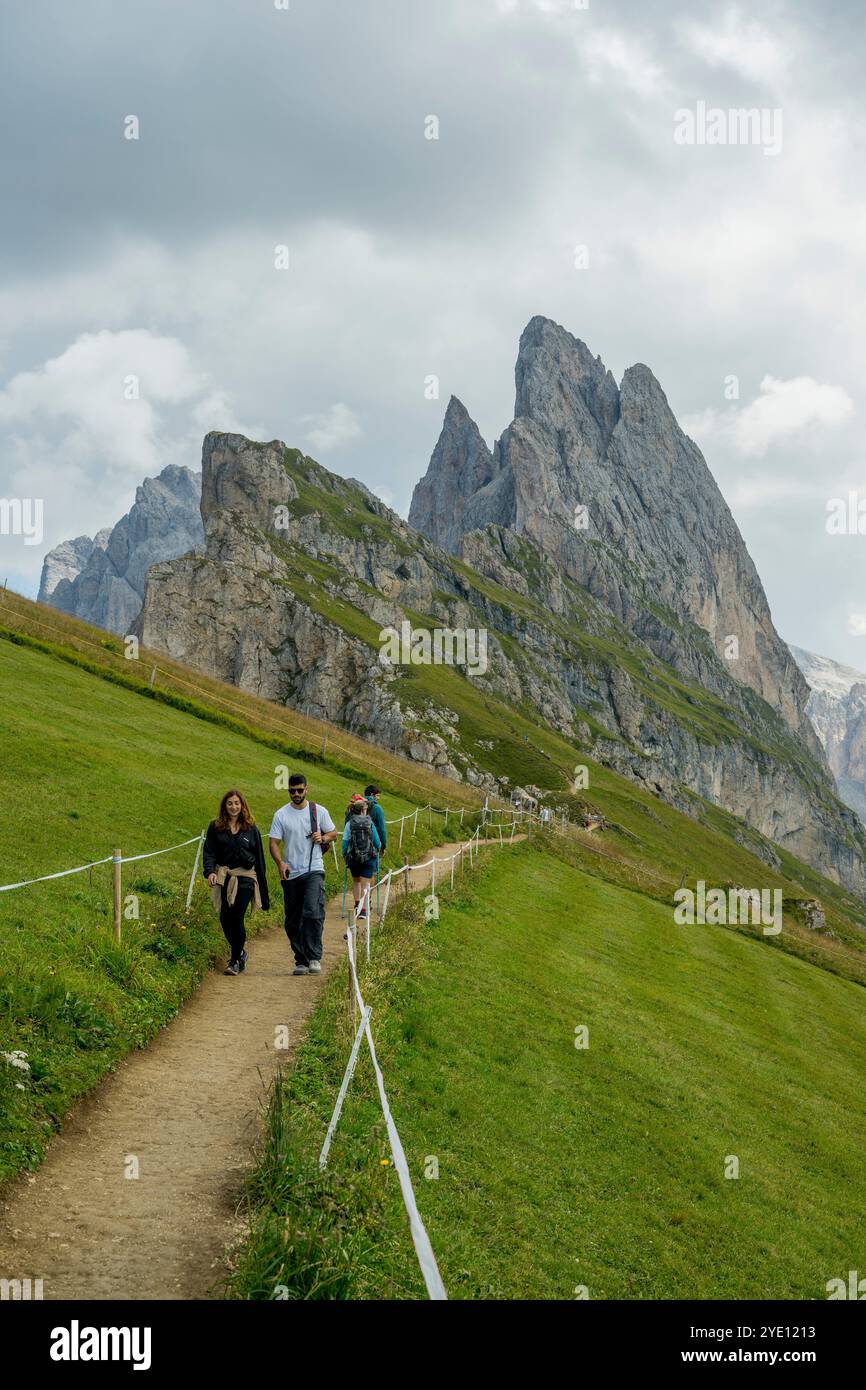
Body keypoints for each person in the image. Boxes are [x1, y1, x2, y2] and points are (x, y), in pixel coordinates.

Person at [268, 774, 338, 977]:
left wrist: (323, 837)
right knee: (292, 919)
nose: (296, 794)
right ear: (288, 791)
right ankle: (301, 960)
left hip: (314, 868)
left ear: (307, 789)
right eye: (292, 791)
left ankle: (314, 956)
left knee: (312, 911)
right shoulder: (281, 814)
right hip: (292, 872)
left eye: (300, 790)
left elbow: (333, 833)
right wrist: (280, 862)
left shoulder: (319, 811)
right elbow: (273, 842)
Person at [203, 789, 270, 976]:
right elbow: (209, 852)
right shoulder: (216, 827)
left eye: (237, 803)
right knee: (225, 917)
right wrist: (210, 872)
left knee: (237, 915)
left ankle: (234, 961)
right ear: (225, 806)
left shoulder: (251, 829)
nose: (234, 807)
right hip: (225, 876)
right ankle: (240, 952)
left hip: (247, 877)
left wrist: (264, 892)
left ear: (243, 805)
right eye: (230, 803)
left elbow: (260, 859)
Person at [342, 795, 382, 920]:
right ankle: (363, 911)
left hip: (354, 857)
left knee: (356, 882)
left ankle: (357, 905)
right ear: (363, 810)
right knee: (366, 885)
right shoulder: (370, 823)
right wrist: (379, 847)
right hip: (369, 858)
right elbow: (377, 842)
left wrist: (344, 854)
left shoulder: (349, 824)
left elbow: (345, 842)